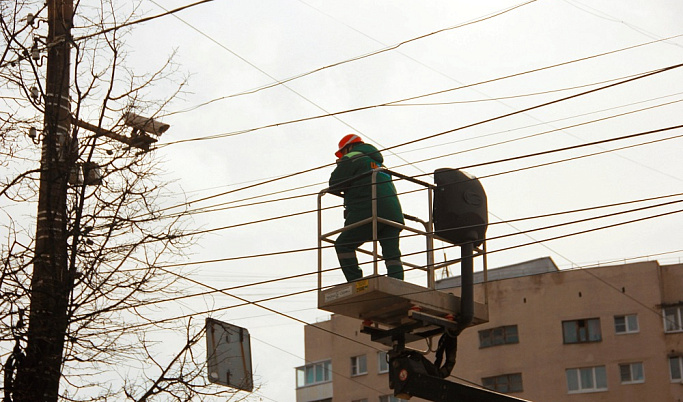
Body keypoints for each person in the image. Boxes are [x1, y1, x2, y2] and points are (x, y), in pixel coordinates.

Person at [328, 134, 404, 282]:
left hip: (368, 209)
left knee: (343, 245)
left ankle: (356, 281)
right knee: (392, 254)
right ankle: (397, 282)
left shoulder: (352, 157)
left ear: (349, 147)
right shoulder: (380, 165)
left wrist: (342, 165)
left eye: (343, 152)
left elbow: (334, 183)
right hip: (393, 214)